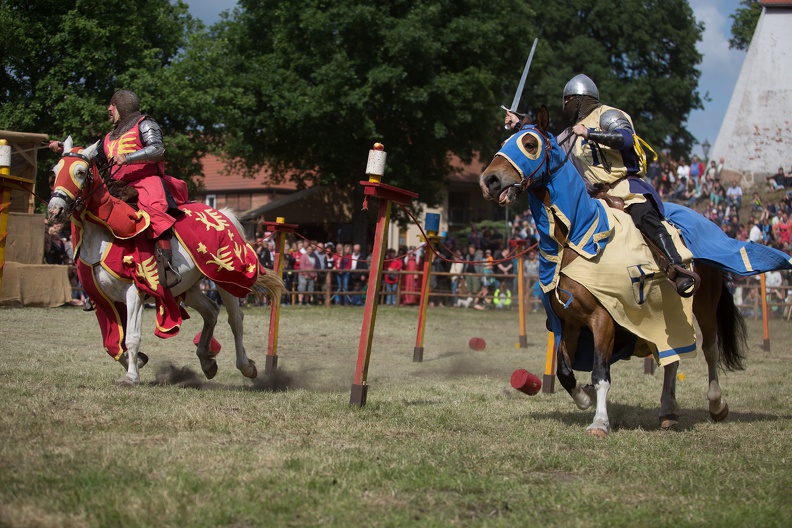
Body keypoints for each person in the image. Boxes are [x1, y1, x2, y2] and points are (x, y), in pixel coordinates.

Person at [506, 74, 697, 296]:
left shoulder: (607, 114)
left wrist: (590, 133)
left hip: (625, 187)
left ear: (580, 99)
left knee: (645, 216)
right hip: (594, 198)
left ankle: (679, 268)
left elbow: (626, 139)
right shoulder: (569, 134)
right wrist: (520, 125)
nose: (565, 105)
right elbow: (545, 146)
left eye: (568, 100)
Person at [49, 90, 187, 287]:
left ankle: (166, 267)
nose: (108, 109)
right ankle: (94, 273)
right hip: (117, 186)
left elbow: (158, 149)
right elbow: (90, 159)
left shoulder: (145, 124)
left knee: (155, 211)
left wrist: (128, 157)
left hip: (146, 181)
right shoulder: (108, 137)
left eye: (111, 106)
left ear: (122, 106)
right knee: (92, 211)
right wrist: (64, 148)